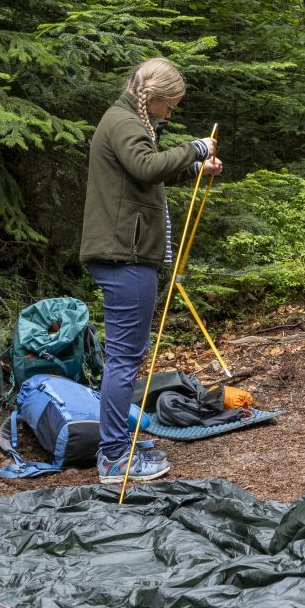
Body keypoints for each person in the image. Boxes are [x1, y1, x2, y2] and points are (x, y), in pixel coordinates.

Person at [80, 57, 222, 483]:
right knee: (124, 359)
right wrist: (196, 148)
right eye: (170, 105)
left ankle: (117, 442)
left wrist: (194, 169)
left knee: (126, 356)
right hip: (124, 255)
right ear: (154, 96)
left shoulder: (127, 121)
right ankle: (113, 457)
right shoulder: (124, 121)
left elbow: (143, 176)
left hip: (128, 253)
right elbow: (146, 166)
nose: (170, 113)